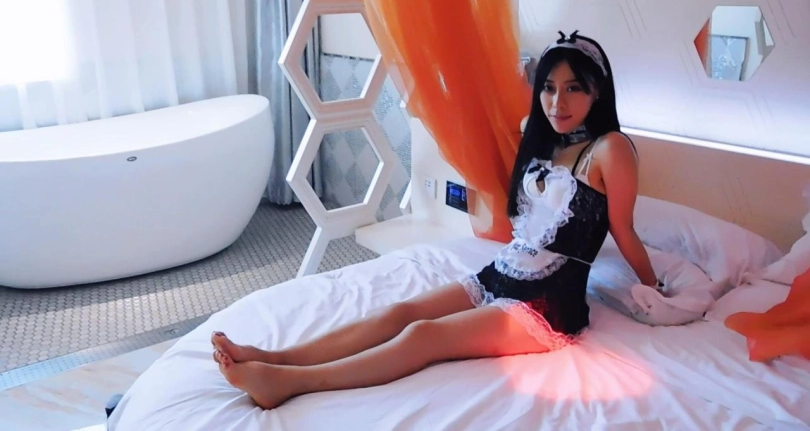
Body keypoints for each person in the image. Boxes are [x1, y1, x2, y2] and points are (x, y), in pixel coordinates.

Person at [210, 31, 660, 410]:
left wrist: (655, 289)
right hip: (504, 272)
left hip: (549, 306)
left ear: (597, 91)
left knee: (423, 336)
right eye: (548, 87)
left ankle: (289, 383)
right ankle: (276, 357)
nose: (557, 102)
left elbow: (623, 230)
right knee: (400, 312)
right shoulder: (548, 141)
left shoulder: (611, 149)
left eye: (574, 88)